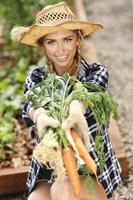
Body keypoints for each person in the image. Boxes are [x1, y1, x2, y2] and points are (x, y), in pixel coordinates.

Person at [11, 2, 121, 200]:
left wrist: (77, 106)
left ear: (78, 40)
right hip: (51, 167)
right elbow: (29, 104)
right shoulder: (36, 78)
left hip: (89, 169)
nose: (60, 49)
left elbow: (92, 90)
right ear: (43, 46)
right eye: (51, 42)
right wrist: (39, 114)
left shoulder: (95, 73)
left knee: (62, 191)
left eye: (67, 39)